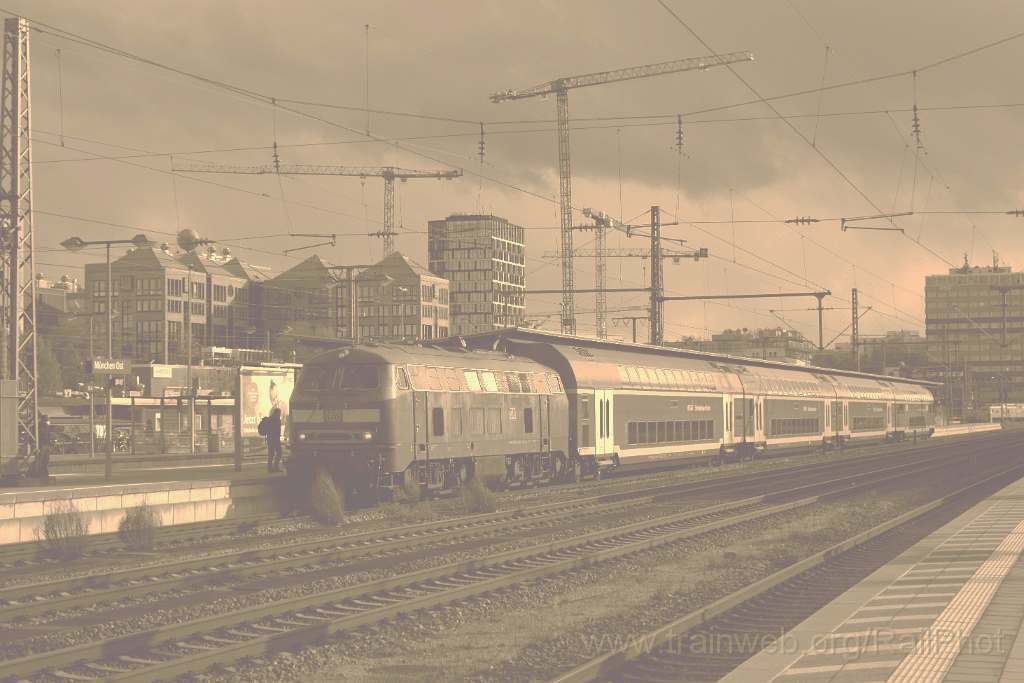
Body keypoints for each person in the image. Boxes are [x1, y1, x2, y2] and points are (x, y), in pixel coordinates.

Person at [262, 407, 283, 473]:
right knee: (277, 452)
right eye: (279, 413)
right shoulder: (274, 420)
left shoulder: (272, 419)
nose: (280, 414)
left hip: (271, 439)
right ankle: (274, 467)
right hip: (273, 439)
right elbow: (276, 430)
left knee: (272, 453)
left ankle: (271, 468)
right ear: (277, 413)